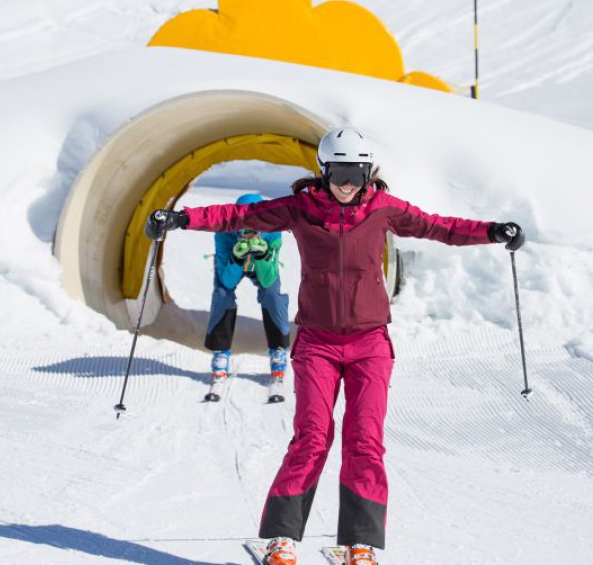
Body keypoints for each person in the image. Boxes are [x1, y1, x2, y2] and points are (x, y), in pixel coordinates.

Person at [145, 127, 525, 565]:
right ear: (324, 171)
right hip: (317, 344)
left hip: (370, 344)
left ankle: (359, 543)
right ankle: (281, 538)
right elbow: (234, 217)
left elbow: (440, 227)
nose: (348, 183)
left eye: (357, 172)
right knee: (311, 437)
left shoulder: (384, 209)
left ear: (368, 173)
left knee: (365, 440)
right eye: (340, 172)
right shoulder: (300, 208)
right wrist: (179, 219)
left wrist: (494, 231)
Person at [204, 193, 290, 386]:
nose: (250, 235)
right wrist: (235, 258)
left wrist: (262, 256)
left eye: (255, 229)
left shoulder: (274, 232)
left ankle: (278, 348)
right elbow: (226, 281)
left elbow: (268, 280)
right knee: (222, 294)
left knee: (272, 294)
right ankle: (221, 351)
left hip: (261, 265)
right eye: (245, 230)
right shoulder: (224, 232)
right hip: (233, 261)